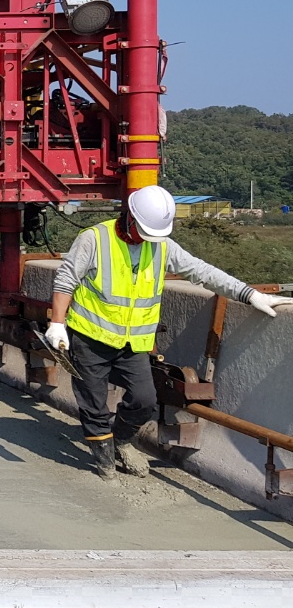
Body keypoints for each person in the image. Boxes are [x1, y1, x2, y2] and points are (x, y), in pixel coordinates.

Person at [45, 184, 293, 480]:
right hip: (90, 339)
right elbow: (65, 281)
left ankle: (121, 441)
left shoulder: (161, 244)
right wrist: (57, 323)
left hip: (133, 343)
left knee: (144, 400)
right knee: (94, 405)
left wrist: (248, 294)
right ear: (131, 217)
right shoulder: (95, 239)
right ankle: (105, 464)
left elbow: (202, 272)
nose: (148, 238)